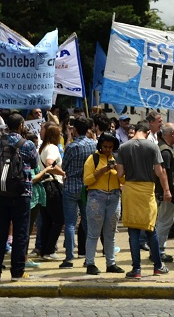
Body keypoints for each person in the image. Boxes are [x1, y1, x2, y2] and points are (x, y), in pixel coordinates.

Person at [114, 119, 171, 279]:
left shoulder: (124, 147)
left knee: (133, 231)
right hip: (147, 191)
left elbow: (120, 173)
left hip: (130, 190)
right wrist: (167, 190)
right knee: (151, 229)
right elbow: (160, 172)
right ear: (147, 132)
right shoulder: (152, 146)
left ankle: (136, 269)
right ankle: (158, 266)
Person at [0, 113, 38, 282]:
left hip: (1, 192)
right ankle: (17, 271)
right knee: (20, 233)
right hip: (22, 193)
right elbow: (34, 163)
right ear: (21, 125)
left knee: (0, 232)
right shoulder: (28, 144)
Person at [82, 132, 123, 275]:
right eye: (105, 146)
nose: (107, 150)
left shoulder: (117, 159)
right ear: (100, 145)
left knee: (110, 233)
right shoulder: (92, 159)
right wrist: (103, 170)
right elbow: (87, 180)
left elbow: (124, 180)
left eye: (110, 147)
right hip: (96, 197)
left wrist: (118, 170)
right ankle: (90, 263)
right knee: (93, 233)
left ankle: (111, 263)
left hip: (114, 197)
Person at [59, 116, 95, 269]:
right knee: (87, 222)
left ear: (75, 129)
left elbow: (64, 166)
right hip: (87, 186)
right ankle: (88, 256)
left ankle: (69, 257)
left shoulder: (72, 147)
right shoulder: (93, 144)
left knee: (70, 223)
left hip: (71, 186)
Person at [36, 123, 64, 259]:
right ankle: (50, 249)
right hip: (52, 185)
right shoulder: (52, 148)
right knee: (59, 219)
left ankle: (44, 249)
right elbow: (49, 163)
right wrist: (63, 173)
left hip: (43, 185)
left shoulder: (43, 148)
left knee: (47, 220)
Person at [155, 123, 174, 262]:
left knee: (163, 221)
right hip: (167, 193)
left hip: (165, 192)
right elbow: (163, 172)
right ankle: (158, 251)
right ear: (172, 134)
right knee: (164, 222)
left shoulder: (163, 148)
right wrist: (167, 191)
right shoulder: (165, 151)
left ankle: (158, 250)